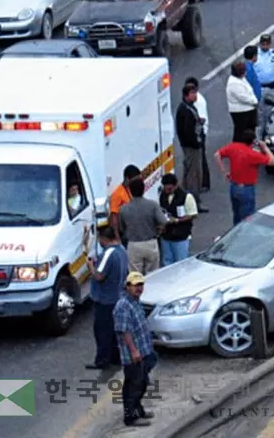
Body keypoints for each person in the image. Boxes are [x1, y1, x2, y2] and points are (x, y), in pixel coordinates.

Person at [114, 271, 158, 427]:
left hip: (143, 351)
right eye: (135, 285)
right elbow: (124, 331)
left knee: (142, 383)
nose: (139, 288)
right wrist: (134, 351)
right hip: (133, 355)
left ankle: (138, 410)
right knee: (134, 386)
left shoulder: (135, 301)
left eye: (140, 285)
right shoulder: (123, 306)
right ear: (127, 287)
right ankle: (131, 417)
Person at [85, 225, 128, 370]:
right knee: (115, 331)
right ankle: (116, 358)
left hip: (105, 299)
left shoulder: (109, 253)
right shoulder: (122, 250)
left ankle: (102, 360)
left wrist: (90, 266)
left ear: (104, 239)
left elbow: (99, 275)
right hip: (118, 296)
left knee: (102, 332)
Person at [214, 129, 274, 224]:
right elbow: (273, 162)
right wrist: (265, 148)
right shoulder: (252, 155)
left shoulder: (233, 147)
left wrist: (224, 171)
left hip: (234, 187)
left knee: (237, 216)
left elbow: (217, 155)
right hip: (247, 189)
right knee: (248, 219)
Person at [118, 178, 167, 275]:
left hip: (133, 244)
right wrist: (158, 230)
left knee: (135, 276)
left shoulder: (124, 209)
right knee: (153, 274)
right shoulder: (153, 205)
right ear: (144, 189)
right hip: (150, 242)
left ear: (130, 191)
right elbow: (163, 221)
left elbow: (122, 227)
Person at [175, 84, 205, 210]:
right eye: (193, 93)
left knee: (188, 173)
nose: (195, 95)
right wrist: (197, 143)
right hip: (191, 147)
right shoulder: (185, 110)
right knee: (194, 175)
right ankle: (194, 202)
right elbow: (187, 131)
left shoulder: (188, 107)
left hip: (190, 146)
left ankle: (185, 198)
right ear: (186, 95)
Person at [158, 173, 198, 267]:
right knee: (167, 262)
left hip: (181, 237)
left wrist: (177, 220)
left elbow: (193, 214)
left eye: (170, 189)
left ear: (176, 185)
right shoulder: (162, 195)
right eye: (166, 188)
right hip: (166, 236)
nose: (167, 191)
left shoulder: (187, 197)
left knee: (181, 263)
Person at [184, 77, 211, 202]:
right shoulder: (189, 105)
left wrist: (201, 133)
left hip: (199, 134)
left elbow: (201, 118)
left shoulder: (198, 102)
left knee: (200, 161)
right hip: (197, 135)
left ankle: (204, 183)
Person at [226, 60, 259, 142]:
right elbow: (243, 97)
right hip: (241, 113)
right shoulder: (234, 83)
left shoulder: (241, 79)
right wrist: (254, 101)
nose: (246, 72)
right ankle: (239, 150)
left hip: (247, 111)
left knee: (249, 133)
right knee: (241, 133)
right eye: (244, 70)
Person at [109, 165, 141, 246]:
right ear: (127, 179)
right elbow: (114, 218)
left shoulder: (131, 189)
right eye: (135, 180)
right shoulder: (117, 194)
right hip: (125, 233)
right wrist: (117, 238)